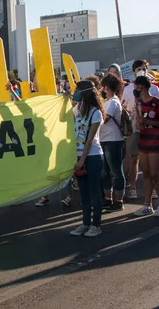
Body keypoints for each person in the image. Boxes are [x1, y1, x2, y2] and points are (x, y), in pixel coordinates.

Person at [121, 60, 159, 199]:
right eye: (139, 69)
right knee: (134, 159)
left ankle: (154, 188)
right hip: (134, 129)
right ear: (133, 72)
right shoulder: (128, 89)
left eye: (144, 68)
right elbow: (123, 107)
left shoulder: (155, 89)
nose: (142, 70)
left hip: (151, 130)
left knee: (151, 161)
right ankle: (133, 187)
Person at [70, 80, 105, 237]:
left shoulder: (96, 112)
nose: (75, 92)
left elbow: (90, 139)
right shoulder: (79, 108)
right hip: (79, 156)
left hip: (92, 156)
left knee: (94, 191)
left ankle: (96, 224)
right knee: (83, 193)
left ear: (85, 92)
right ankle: (85, 223)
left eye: (77, 90)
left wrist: (82, 160)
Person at [133, 76, 159, 217]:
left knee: (155, 174)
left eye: (136, 87)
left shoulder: (156, 102)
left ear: (141, 87)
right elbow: (138, 123)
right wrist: (139, 123)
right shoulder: (138, 103)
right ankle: (147, 205)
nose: (135, 89)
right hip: (143, 141)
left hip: (156, 141)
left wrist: (148, 121)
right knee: (146, 174)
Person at [100, 74, 126, 211]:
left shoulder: (114, 102)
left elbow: (104, 119)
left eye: (103, 86)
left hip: (113, 140)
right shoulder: (107, 101)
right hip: (104, 140)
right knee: (105, 172)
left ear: (107, 87)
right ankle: (108, 198)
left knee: (116, 172)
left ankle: (119, 200)